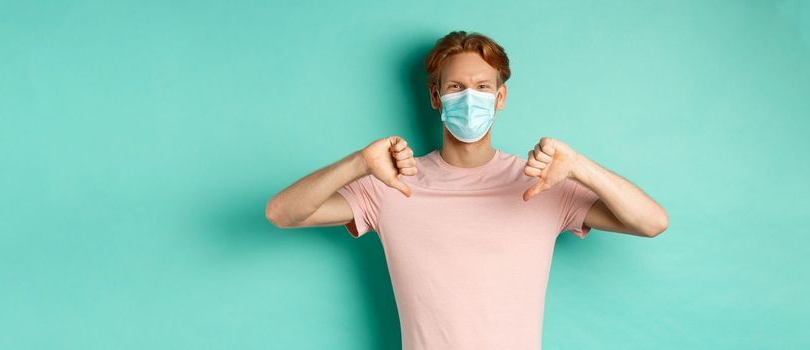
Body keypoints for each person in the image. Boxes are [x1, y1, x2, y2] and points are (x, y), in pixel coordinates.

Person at [265, 30, 669, 350]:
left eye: (482, 86)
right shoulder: (390, 184)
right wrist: (358, 163)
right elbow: (282, 213)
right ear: (435, 97)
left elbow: (652, 222)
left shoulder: (543, 183)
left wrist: (579, 166)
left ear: (500, 96)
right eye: (456, 87)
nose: (470, 97)